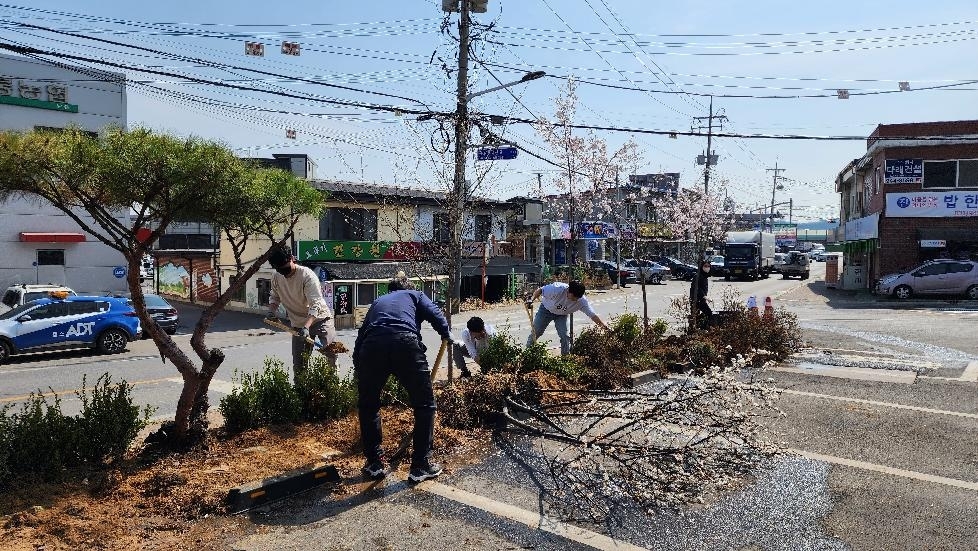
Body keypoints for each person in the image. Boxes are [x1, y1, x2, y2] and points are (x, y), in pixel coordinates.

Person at [353, 275, 452, 483]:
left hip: (371, 348)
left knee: (368, 406)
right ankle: (420, 465)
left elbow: (361, 335)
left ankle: (374, 462)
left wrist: (359, 365)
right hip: (405, 344)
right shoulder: (415, 294)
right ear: (408, 286)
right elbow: (435, 313)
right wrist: (445, 333)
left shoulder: (378, 302)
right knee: (424, 406)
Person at [265, 245, 337, 381]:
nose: (283, 272)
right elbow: (275, 297)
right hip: (298, 324)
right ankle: (301, 392)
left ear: (292, 259)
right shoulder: (276, 277)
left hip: (320, 319)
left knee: (330, 354)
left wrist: (306, 327)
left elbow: (315, 305)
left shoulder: (307, 276)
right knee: (299, 363)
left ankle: (332, 386)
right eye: (279, 269)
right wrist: (271, 311)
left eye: (285, 267)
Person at [525, 280, 609, 355]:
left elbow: (593, 315)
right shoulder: (557, 289)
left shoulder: (581, 301)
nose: (576, 299)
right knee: (536, 332)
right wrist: (531, 300)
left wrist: (604, 327)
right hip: (546, 310)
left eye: (578, 297)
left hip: (562, 315)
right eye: (574, 297)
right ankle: (527, 354)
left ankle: (565, 358)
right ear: (568, 291)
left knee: (564, 335)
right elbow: (540, 290)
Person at [691, 260, 713, 329]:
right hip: (697, 300)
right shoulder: (697, 276)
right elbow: (697, 288)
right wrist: (704, 296)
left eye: (708, 266)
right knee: (708, 313)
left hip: (701, 300)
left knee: (699, 316)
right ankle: (702, 328)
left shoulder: (704, 276)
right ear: (701, 267)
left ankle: (699, 327)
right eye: (705, 266)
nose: (707, 268)